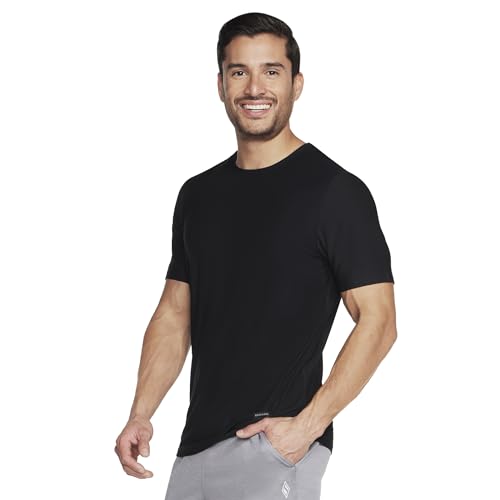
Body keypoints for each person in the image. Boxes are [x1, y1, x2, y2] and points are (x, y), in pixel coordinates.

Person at [115, 11, 397, 500]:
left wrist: (305, 427)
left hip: (273, 450)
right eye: (239, 71)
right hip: (193, 451)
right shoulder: (198, 195)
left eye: (271, 71)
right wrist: (141, 412)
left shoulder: (335, 192)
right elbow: (175, 313)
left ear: (296, 84)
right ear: (220, 85)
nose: (254, 88)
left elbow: (380, 320)